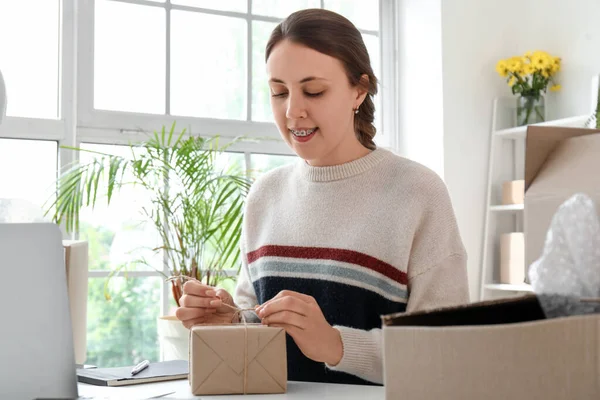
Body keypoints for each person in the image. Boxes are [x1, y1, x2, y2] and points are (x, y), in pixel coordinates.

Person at [175, 8, 469, 386]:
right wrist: (228, 322)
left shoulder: (417, 192)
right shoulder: (265, 195)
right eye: (279, 92)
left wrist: (335, 345)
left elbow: (446, 352)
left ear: (359, 90)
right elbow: (255, 317)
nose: (293, 111)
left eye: (314, 91)